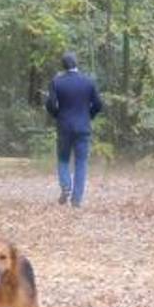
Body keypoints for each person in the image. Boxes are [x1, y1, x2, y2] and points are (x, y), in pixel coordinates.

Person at [45, 51, 102, 208]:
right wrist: (89, 115)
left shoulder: (56, 82)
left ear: (63, 66)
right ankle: (76, 200)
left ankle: (65, 185)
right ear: (77, 64)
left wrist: (57, 115)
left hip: (64, 126)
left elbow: (50, 104)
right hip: (83, 127)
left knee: (63, 159)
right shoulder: (88, 82)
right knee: (81, 162)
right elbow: (99, 104)